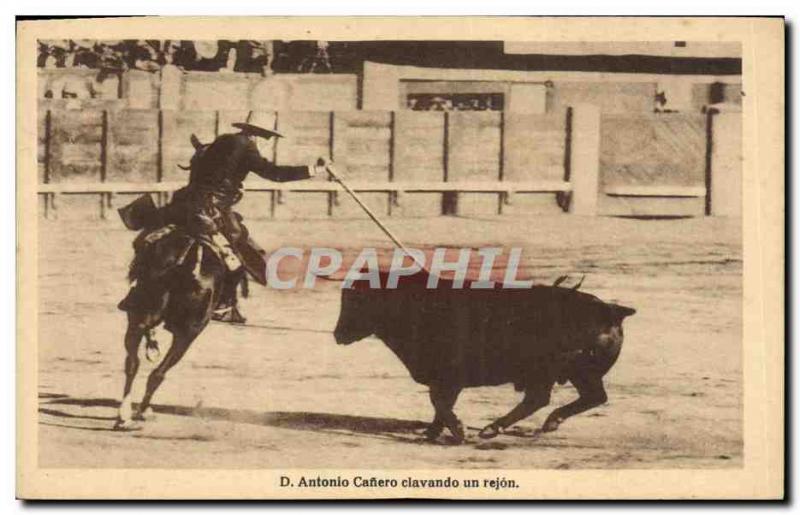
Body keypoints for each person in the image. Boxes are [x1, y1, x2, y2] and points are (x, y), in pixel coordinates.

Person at [156, 121, 328, 324]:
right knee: (239, 257)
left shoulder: (219, 142)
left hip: (182, 204)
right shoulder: (247, 146)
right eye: (269, 139)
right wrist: (315, 170)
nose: (267, 144)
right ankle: (223, 307)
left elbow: (208, 174)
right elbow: (275, 174)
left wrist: (234, 186)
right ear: (259, 136)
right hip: (209, 211)